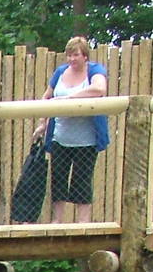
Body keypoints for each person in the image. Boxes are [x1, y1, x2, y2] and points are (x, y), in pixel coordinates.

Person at [32, 37, 109, 224]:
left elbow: (99, 89)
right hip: (60, 136)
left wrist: (69, 99)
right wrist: (43, 124)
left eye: (75, 55)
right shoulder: (60, 73)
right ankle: (57, 221)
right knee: (58, 178)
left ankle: (83, 222)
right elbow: (47, 97)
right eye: (69, 55)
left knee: (82, 179)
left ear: (85, 56)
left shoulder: (95, 70)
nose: (72, 59)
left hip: (86, 139)